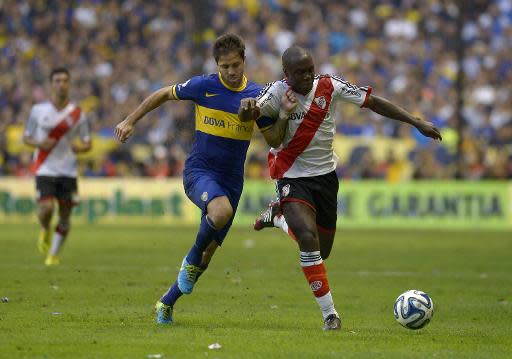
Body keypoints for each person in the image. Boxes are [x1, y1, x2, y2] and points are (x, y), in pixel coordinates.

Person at [239, 46, 442, 330]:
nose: (308, 76)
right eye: (300, 72)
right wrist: (249, 110)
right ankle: (330, 315)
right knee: (308, 239)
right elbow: (260, 125)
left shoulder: (329, 86)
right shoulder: (275, 94)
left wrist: (416, 121)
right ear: (287, 74)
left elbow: (373, 102)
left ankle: (278, 217)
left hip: (325, 178)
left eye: (310, 69)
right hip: (291, 176)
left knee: (322, 252)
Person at [114, 33, 272, 325]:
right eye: (225, 66)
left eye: (235, 65)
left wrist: (258, 117)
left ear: (244, 61)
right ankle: (190, 258)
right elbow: (162, 94)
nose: (231, 72)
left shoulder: (258, 95)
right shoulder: (204, 86)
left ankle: (166, 303)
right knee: (219, 214)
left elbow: (274, 136)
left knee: (208, 256)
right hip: (200, 171)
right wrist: (129, 120)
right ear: (217, 65)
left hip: (232, 183)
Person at [23, 67, 92, 266]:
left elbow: (88, 143)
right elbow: (26, 137)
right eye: (57, 81)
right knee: (45, 209)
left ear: (69, 84)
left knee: (64, 215)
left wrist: (80, 148)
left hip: (68, 171)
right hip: (45, 167)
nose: (61, 84)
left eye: (64, 80)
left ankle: (53, 254)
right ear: (51, 84)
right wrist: (39, 144)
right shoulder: (38, 111)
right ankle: (44, 229)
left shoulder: (78, 114)